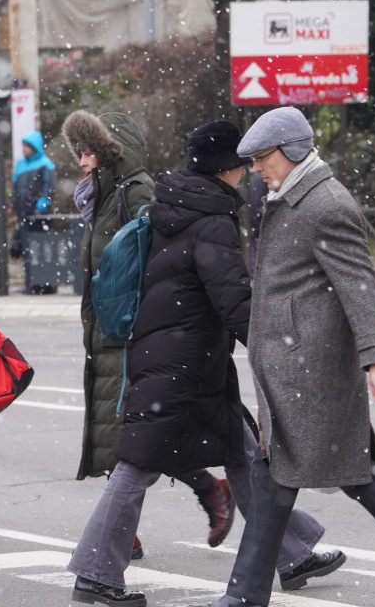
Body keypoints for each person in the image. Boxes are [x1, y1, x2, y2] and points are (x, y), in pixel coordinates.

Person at [191, 107, 375, 607]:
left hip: (311, 373)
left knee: (285, 474)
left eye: (262, 158)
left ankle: (244, 596)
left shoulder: (325, 203)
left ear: (293, 151)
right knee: (336, 476)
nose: (255, 169)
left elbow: (360, 288)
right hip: (295, 370)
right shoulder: (291, 196)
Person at [66, 120, 344, 607]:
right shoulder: (212, 218)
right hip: (184, 363)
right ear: (229, 167)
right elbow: (232, 300)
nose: (252, 169)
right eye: (245, 161)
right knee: (137, 465)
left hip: (174, 353)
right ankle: (95, 573)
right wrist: (275, 349)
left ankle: (292, 553)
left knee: (242, 452)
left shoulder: (171, 205)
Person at [61, 110, 232, 558]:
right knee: (133, 435)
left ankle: (119, 533)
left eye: (90, 151)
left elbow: (156, 263)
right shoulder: (100, 195)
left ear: (112, 151)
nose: (82, 161)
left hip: (135, 331)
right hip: (109, 330)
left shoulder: (136, 191)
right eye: (78, 152)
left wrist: (143, 320)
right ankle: (209, 491)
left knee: (132, 437)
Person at [11, 130, 57, 293]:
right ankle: (30, 283)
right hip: (24, 215)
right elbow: (15, 190)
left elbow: (49, 189)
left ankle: (46, 284)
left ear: (34, 147)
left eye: (26, 146)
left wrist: (40, 208)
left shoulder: (46, 164)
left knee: (43, 251)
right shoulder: (20, 165)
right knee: (27, 251)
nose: (23, 149)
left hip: (39, 217)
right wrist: (15, 208)